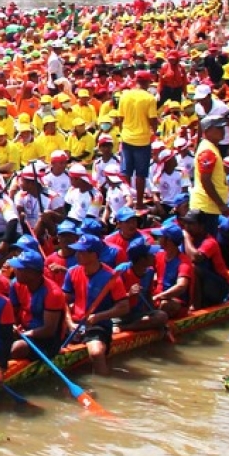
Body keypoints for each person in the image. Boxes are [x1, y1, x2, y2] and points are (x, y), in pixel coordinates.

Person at [61, 234, 131, 374]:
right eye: (77, 251)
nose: (77, 255)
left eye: (82, 252)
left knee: (96, 353)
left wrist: (99, 316)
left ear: (94, 255)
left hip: (98, 325)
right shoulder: (72, 272)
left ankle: (104, 383)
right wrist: (69, 322)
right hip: (74, 324)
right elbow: (64, 300)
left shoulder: (111, 277)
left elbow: (124, 307)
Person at [117, 69, 158, 207]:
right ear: (147, 82)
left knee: (126, 172)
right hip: (142, 139)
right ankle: (139, 202)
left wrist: (122, 131)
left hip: (127, 137)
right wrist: (155, 132)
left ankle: (127, 201)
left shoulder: (125, 96)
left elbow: (120, 118)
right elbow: (153, 120)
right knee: (141, 173)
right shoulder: (149, 98)